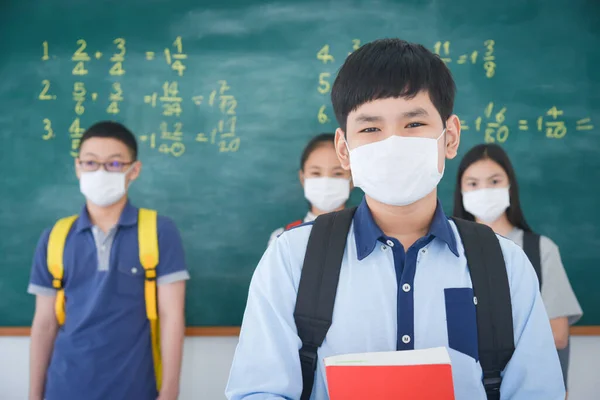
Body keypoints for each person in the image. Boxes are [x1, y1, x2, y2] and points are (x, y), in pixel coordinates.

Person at [226, 38, 564, 400]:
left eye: (414, 123)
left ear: (449, 138)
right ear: (345, 149)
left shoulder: (506, 264)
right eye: (371, 128)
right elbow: (259, 392)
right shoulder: (292, 259)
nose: (392, 144)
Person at [28, 121, 188, 400]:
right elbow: (44, 323)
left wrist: (170, 391)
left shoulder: (160, 231)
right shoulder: (55, 237)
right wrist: (34, 394)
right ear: (78, 166)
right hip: (64, 387)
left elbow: (172, 316)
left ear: (133, 170)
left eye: (114, 164)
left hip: (136, 387)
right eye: (90, 163)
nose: (100, 172)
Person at [454, 143, 583, 397]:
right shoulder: (451, 248)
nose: (484, 191)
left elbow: (557, 335)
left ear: (509, 186)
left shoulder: (539, 249)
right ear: (460, 191)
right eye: (472, 183)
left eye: (494, 181)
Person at [268, 133, 352, 246]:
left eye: (337, 173)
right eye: (316, 173)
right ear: (303, 179)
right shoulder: (283, 239)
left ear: (352, 181)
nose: (326, 182)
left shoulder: (369, 237)